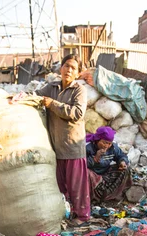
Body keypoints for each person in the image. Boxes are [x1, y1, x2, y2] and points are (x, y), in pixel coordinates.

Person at [36, 54, 90, 225]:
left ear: (78, 73)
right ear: (61, 68)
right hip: (56, 147)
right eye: (66, 66)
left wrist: (53, 104)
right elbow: (36, 96)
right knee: (60, 186)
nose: (69, 70)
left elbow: (77, 113)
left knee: (77, 187)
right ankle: (65, 213)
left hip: (73, 147)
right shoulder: (52, 87)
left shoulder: (79, 90)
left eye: (73, 68)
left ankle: (82, 216)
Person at [86, 126, 132, 203]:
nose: (106, 146)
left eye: (109, 143)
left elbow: (121, 155)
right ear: (97, 140)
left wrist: (122, 162)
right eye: (104, 142)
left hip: (105, 173)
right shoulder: (88, 148)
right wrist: (95, 158)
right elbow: (80, 164)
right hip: (93, 175)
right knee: (86, 173)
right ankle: (92, 197)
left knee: (125, 169)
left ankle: (112, 195)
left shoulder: (113, 148)